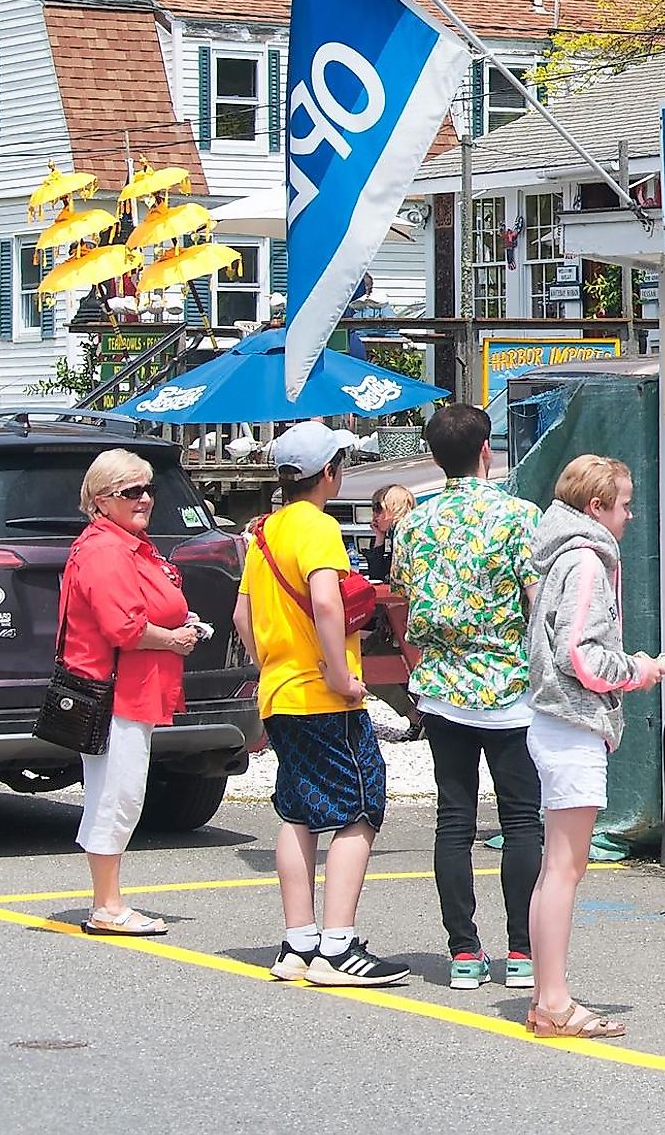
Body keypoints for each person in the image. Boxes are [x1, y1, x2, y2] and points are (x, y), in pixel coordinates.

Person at [230, 421, 410, 988]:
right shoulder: (319, 528)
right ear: (329, 472)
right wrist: (341, 674)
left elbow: (242, 617)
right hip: (323, 693)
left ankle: (298, 940)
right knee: (360, 805)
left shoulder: (262, 533)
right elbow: (329, 605)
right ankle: (338, 945)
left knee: (298, 810)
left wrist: (271, 668)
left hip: (280, 691)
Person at [391, 404, 545, 995]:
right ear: (487, 449)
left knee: (453, 819)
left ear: (433, 455)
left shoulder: (414, 524)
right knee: (520, 820)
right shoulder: (518, 517)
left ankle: (462, 951)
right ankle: (523, 950)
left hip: (442, 685)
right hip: (509, 686)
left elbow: (403, 600)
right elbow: (538, 604)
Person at [523, 454, 664, 1038]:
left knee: (557, 866)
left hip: (557, 723)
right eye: (624, 504)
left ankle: (546, 996)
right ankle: (554, 1002)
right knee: (565, 868)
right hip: (572, 723)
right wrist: (637, 670)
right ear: (595, 507)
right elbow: (577, 653)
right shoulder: (585, 560)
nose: (630, 515)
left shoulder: (562, 554)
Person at [56, 448, 210, 936]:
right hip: (114, 691)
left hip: (134, 688)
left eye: (148, 489)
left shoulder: (128, 543)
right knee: (116, 795)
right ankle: (107, 905)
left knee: (121, 792)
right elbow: (123, 627)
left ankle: (109, 900)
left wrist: (178, 624)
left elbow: (146, 609)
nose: (144, 499)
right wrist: (175, 638)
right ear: (101, 500)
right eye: (131, 492)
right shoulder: (104, 550)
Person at [364, 484, 415, 582]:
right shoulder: (396, 533)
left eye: (379, 508)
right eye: (373, 509)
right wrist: (379, 538)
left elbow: (380, 575)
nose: (374, 515)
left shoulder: (406, 534)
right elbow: (377, 575)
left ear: (394, 508)